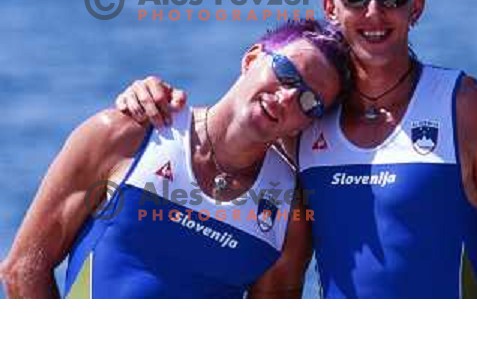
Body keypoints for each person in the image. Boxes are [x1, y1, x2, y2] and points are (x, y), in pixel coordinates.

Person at [107, 0, 477, 298]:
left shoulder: (470, 109)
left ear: (415, 7)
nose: (374, 13)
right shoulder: (304, 118)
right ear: (331, 8)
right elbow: (278, 273)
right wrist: (148, 96)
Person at [0, 20, 348, 298]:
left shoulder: (288, 213)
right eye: (287, 73)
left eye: (309, 102)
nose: (287, 97)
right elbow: (23, 268)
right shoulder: (125, 134)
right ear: (252, 58)